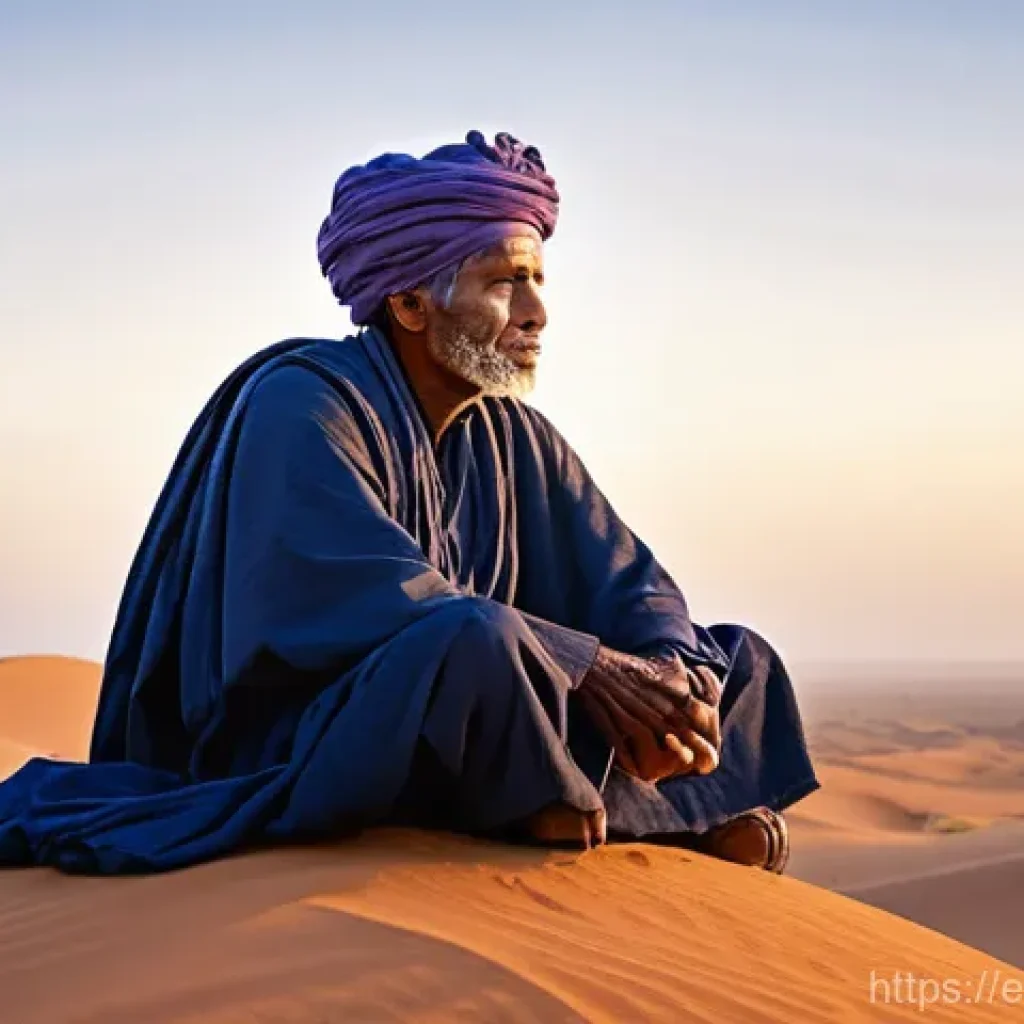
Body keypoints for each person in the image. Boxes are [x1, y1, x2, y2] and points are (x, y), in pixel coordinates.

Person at [0, 130, 818, 875]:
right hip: (312, 735)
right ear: (410, 304)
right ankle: (636, 817)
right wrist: (589, 665)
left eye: (537, 281)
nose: (536, 313)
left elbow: (629, 581)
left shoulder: (513, 433)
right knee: (476, 640)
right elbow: (366, 598)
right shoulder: (303, 400)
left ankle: (605, 802)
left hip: (489, 713)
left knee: (740, 657)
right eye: (505, 283)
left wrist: (671, 674)